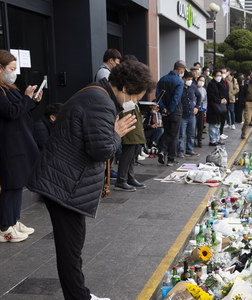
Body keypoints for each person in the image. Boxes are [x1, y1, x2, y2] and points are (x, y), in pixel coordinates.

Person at [28, 60, 150, 300]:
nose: (134, 103)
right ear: (125, 87)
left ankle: (79, 293)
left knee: (72, 245)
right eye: (135, 97)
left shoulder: (98, 95)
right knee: (70, 249)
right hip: (64, 184)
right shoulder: (101, 103)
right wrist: (116, 134)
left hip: (65, 181)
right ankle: (78, 297)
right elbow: (102, 150)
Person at [0, 50, 42, 243]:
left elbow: (20, 111)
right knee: (10, 185)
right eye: (11, 68)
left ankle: (14, 221)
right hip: (7, 144)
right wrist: (26, 98)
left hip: (18, 142)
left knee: (17, 184)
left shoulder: (7, 87)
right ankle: (5, 228)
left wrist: (32, 101)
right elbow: (11, 112)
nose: (14, 72)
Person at [115, 83, 147, 192]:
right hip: (129, 127)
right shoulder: (126, 99)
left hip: (134, 127)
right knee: (127, 154)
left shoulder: (132, 101)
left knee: (133, 154)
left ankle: (130, 177)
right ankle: (122, 180)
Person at [156, 60, 186, 166]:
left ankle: (162, 150)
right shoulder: (179, 81)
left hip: (164, 111)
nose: (183, 72)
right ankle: (171, 158)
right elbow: (176, 98)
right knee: (174, 135)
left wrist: (163, 109)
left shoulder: (162, 79)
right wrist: (169, 110)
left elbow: (158, 96)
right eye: (182, 70)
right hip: (175, 112)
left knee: (167, 132)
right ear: (179, 69)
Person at [177, 71, 201, 157]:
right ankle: (180, 151)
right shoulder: (179, 88)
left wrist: (197, 107)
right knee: (181, 134)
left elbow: (199, 96)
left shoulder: (193, 87)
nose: (190, 81)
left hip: (192, 114)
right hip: (182, 115)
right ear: (183, 79)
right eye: (188, 79)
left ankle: (189, 150)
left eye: (191, 79)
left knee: (191, 134)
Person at [207, 71, 228, 146]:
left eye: (220, 75)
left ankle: (217, 139)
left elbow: (221, 94)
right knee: (213, 124)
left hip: (218, 107)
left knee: (217, 124)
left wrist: (223, 99)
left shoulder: (219, 84)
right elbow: (212, 96)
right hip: (213, 107)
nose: (219, 77)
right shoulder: (211, 84)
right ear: (213, 76)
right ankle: (212, 140)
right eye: (217, 75)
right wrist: (220, 100)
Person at [195, 75, 207, 148]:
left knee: (200, 126)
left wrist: (204, 109)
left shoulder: (204, 90)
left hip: (201, 109)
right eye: (200, 80)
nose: (201, 82)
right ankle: (193, 141)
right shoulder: (193, 88)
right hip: (194, 109)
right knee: (193, 127)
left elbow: (205, 101)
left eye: (203, 81)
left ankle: (199, 141)